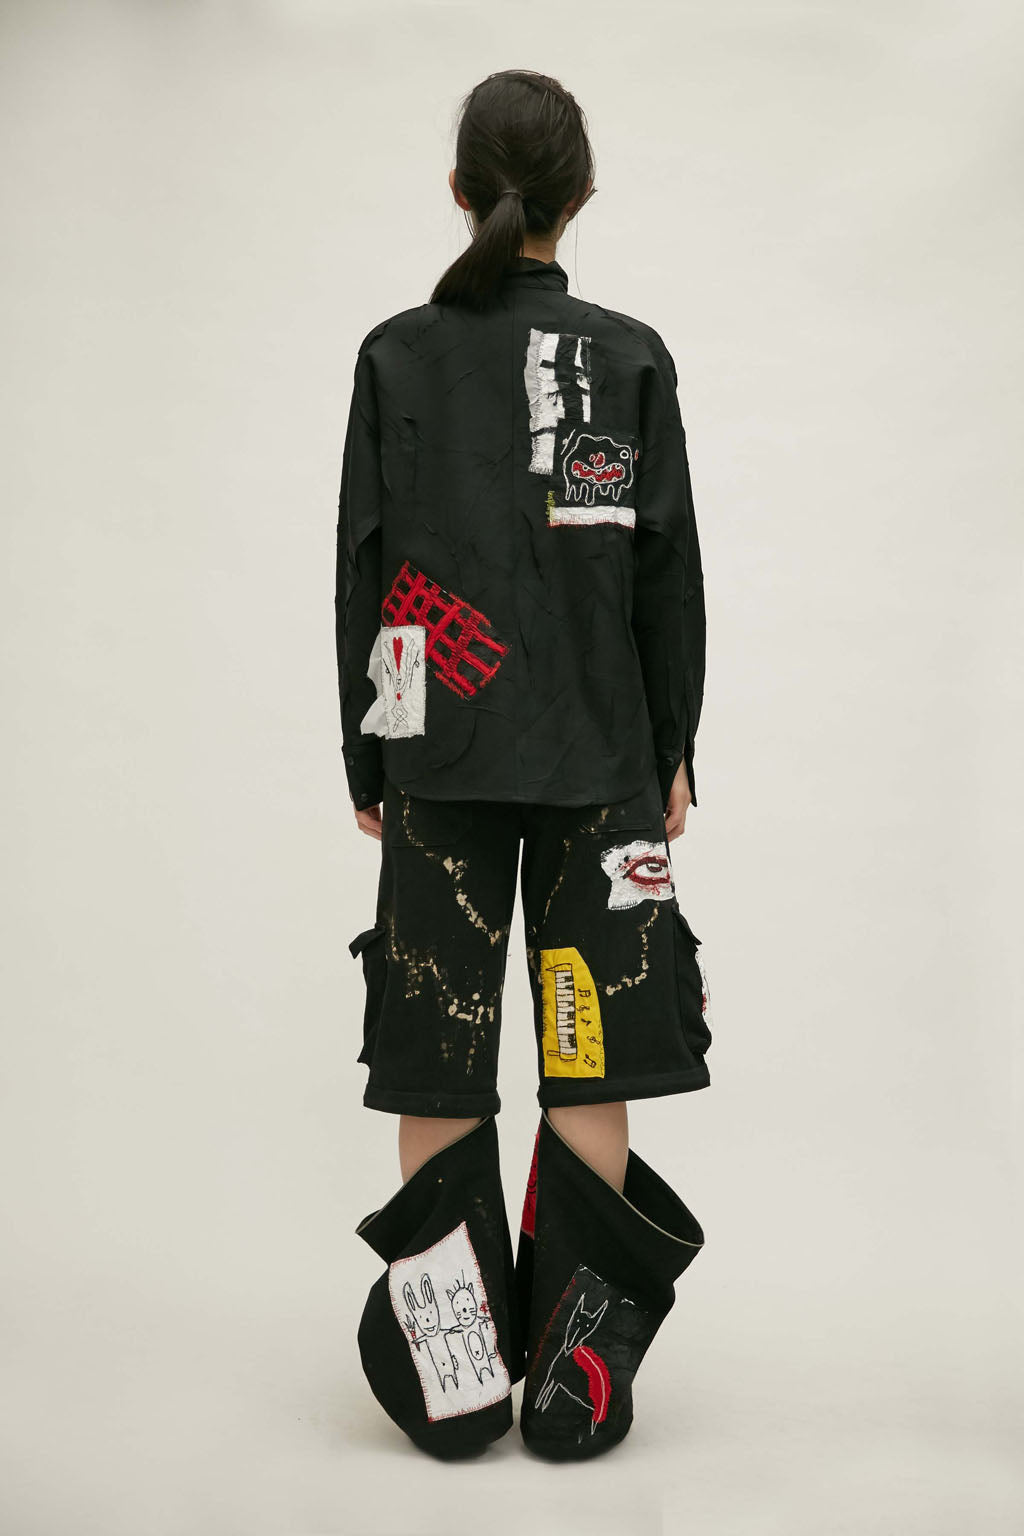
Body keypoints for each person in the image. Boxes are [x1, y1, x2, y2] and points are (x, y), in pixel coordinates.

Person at [336, 69, 712, 1462]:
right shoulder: (631, 357)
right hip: (604, 763)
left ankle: (455, 1393)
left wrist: (370, 751)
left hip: (438, 758)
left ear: (459, 191)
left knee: (436, 1055)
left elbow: (367, 568)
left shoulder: (397, 356)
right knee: (587, 1052)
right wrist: (672, 749)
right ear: (583, 193)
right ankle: (571, 1382)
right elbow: (668, 578)